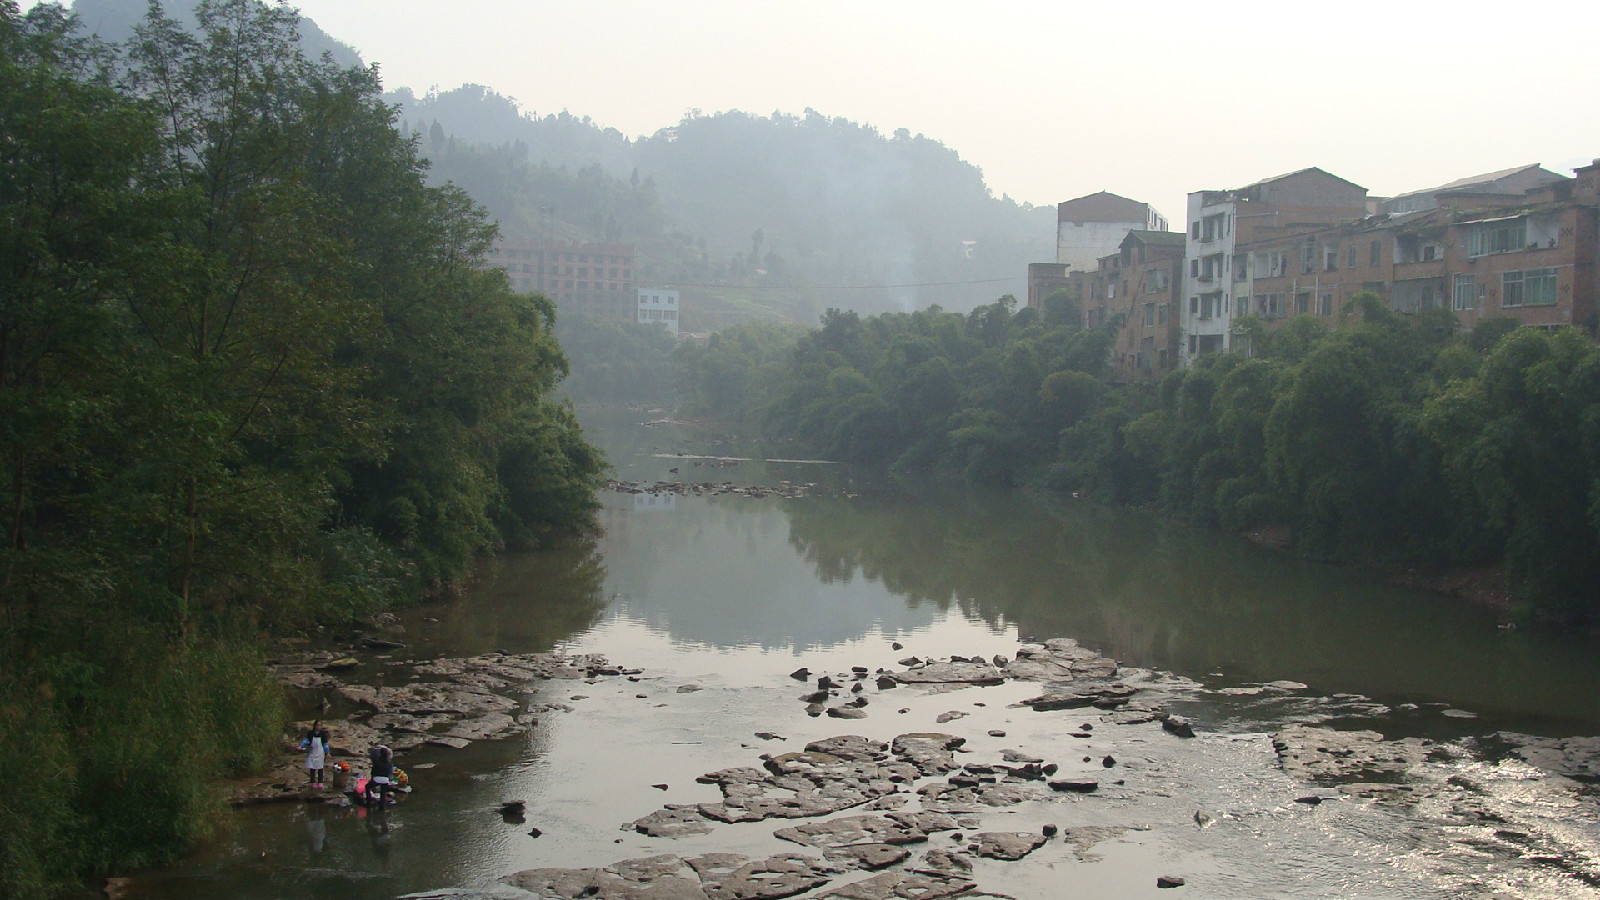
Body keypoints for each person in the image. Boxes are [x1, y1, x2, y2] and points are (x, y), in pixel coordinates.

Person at [299, 721, 329, 789]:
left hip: (320, 752)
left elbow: (325, 744)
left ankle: (320, 782)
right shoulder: (311, 733)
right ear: (315, 726)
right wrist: (301, 746)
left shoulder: (323, 734)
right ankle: (313, 781)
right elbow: (306, 740)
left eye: (320, 725)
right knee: (312, 767)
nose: (319, 727)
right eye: (317, 725)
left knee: (320, 767)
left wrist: (327, 752)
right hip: (312, 751)